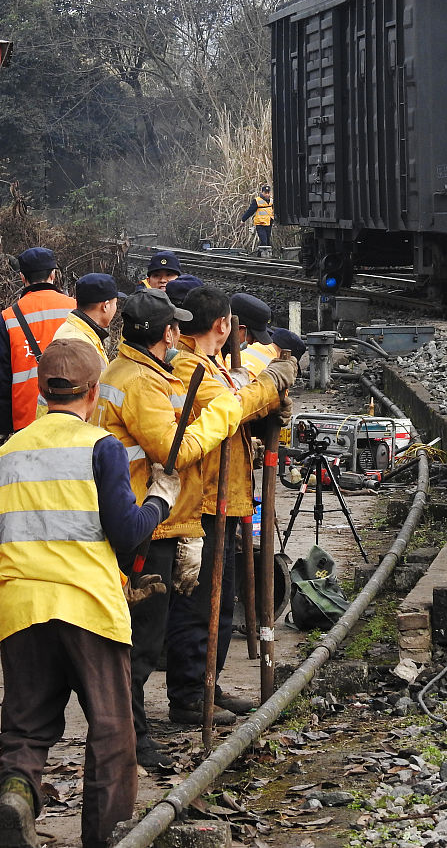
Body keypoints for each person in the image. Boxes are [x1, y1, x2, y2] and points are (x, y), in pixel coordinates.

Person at [0, 339, 181, 848]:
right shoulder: (101, 447)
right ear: (94, 391)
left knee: (26, 728)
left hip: (21, 606)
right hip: (87, 607)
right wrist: (162, 500)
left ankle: (15, 795)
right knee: (113, 734)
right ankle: (107, 837)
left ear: (39, 389)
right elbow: (127, 532)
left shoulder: (7, 452)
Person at [95, 290, 241, 771]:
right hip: (145, 522)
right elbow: (173, 451)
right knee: (140, 640)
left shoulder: (138, 372)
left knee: (141, 636)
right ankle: (130, 740)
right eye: (174, 328)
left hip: (149, 517)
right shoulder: (140, 383)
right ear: (167, 334)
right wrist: (227, 412)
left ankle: (128, 733)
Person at [165, 286, 298, 724]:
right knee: (200, 606)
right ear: (224, 325)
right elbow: (228, 407)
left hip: (226, 496)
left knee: (220, 605)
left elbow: (241, 407)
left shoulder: (211, 363)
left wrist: (267, 413)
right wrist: (272, 385)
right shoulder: (186, 367)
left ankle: (209, 685)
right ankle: (189, 696)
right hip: (202, 500)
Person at [0, 246, 76, 440]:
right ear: (53, 275)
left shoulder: (8, 318)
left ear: (22, 277)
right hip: (75, 416)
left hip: (26, 421)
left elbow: (1, 378)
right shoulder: (76, 309)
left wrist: (1, 427)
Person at [50, 272, 125, 371]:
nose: (116, 308)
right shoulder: (81, 344)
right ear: (105, 306)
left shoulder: (75, 330)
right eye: (115, 303)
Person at [240, 184, 274, 256]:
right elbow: (250, 211)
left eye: (268, 193)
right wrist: (243, 220)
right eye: (265, 193)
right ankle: (263, 258)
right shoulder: (257, 201)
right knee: (264, 242)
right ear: (262, 192)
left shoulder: (271, 201)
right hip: (260, 224)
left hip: (268, 223)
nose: (267, 194)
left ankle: (259, 256)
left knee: (267, 242)